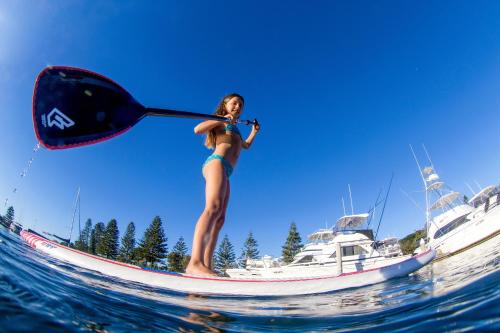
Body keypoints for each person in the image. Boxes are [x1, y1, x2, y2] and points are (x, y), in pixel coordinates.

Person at [185, 93, 260, 276]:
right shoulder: (219, 120)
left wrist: (254, 132)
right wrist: (219, 119)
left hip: (227, 171)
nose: (238, 107)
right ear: (225, 105)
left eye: (241, 105)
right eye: (234, 103)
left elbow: (245, 146)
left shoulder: (236, 129)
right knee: (212, 208)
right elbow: (197, 129)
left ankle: (207, 265)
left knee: (220, 219)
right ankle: (194, 262)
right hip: (216, 163)